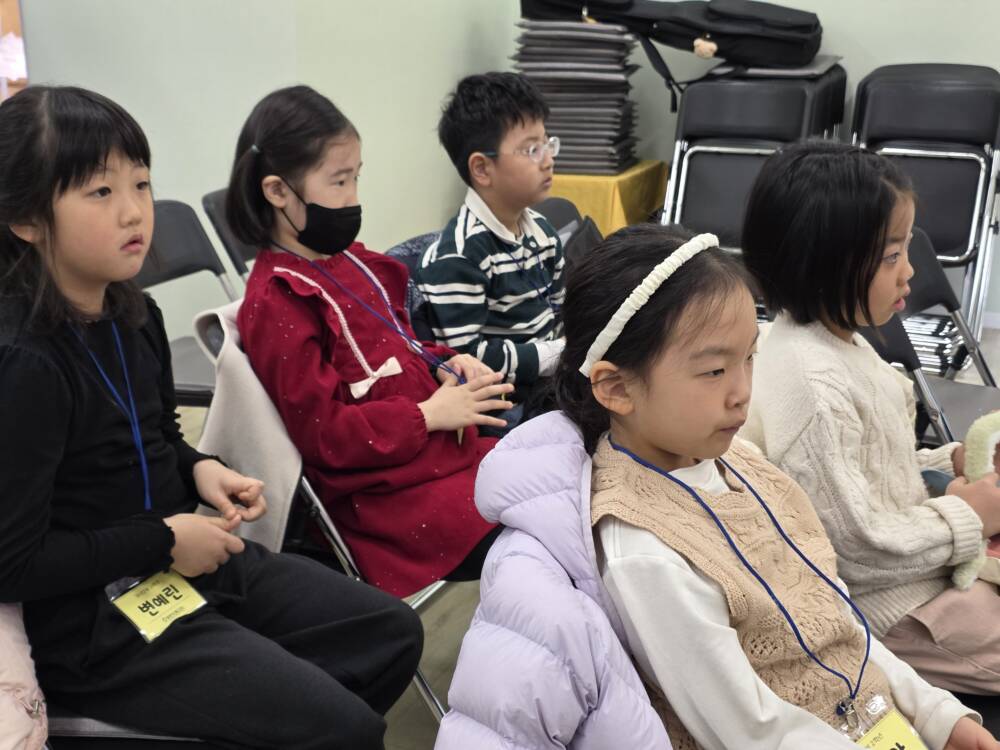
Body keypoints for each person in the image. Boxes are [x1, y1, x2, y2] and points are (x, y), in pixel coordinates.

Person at [446, 222, 988, 749]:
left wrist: (936, 715)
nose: (742, 392)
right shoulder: (644, 550)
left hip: (872, 720)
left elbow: (837, 617)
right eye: (713, 371)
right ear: (616, 387)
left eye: (749, 357)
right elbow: (753, 731)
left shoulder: (743, 462)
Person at [0, 85, 421, 749]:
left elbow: (158, 437)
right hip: (96, 622)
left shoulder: (134, 315)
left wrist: (201, 471)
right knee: (343, 727)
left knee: (389, 633)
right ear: (26, 217)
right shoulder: (25, 362)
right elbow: (14, 563)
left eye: (141, 184)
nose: (134, 211)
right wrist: (163, 541)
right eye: (100, 191)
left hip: (175, 563)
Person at [227, 85, 509, 597]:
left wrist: (447, 364)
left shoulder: (349, 262)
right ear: (277, 191)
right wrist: (427, 415)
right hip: (386, 500)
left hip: (435, 460)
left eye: (356, 177)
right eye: (339, 181)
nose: (353, 197)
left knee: (567, 469)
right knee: (542, 523)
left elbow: (395, 350)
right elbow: (324, 435)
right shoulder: (277, 301)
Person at [742, 141, 1000, 695]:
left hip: (923, 565)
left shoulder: (841, 341)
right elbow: (856, 548)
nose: (910, 271)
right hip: (896, 609)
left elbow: (875, 468)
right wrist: (969, 516)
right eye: (891, 256)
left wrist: (951, 459)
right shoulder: (814, 386)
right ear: (824, 264)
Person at [415, 72, 565, 408]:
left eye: (547, 143)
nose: (548, 160)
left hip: (552, 384)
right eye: (532, 149)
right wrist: (553, 355)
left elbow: (560, 312)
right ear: (482, 169)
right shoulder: (459, 257)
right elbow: (465, 358)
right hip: (506, 405)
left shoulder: (543, 233)